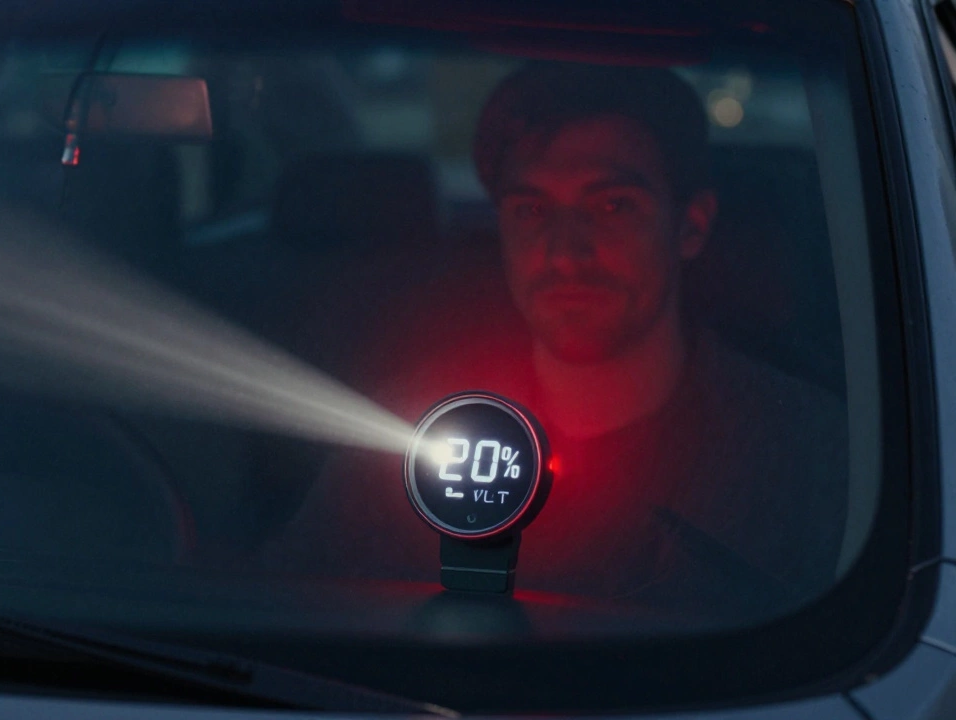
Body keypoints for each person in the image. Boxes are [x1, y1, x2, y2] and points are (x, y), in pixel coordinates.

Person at [259, 64, 848, 622]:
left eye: (613, 205)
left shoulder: (811, 452)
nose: (565, 253)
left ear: (691, 224)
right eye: (532, 209)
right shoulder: (402, 431)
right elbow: (290, 619)